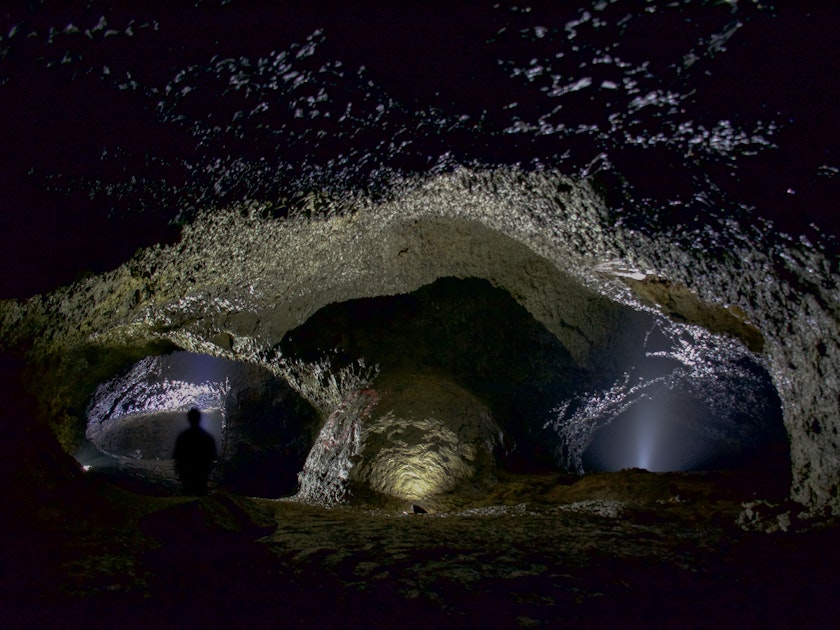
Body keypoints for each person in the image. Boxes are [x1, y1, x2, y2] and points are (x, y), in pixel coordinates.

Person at [173, 407, 218, 495]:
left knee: (187, 494)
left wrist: (179, 471)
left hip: (187, 474)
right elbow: (213, 457)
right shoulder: (207, 437)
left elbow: (177, 457)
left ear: (188, 419)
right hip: (202, 473)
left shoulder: (183, 437)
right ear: (200, 418)